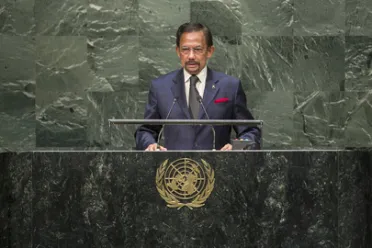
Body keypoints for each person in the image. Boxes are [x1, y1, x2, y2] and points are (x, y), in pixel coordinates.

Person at [135, 22, 261, 151]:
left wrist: (236, 147)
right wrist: (150, 145)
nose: (191, 56)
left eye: (197, 49)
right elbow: (146, 131)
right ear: (178, 51)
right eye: (185, 49)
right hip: (174, 168)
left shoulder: (230, 86)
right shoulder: (160, 87)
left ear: (210, 51)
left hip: (217, 168)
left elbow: (250, 132)